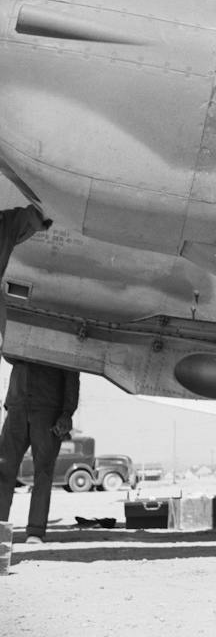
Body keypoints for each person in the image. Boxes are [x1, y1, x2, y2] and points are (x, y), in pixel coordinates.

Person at [0, 204, 75, 545]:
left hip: (46, 413)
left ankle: (35, 532)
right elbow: (9, 353)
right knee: (4, 469)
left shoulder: (62, 337)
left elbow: (72, 376)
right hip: (17, 408)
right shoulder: (19, 328)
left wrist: (66, 415)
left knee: (43, 474)